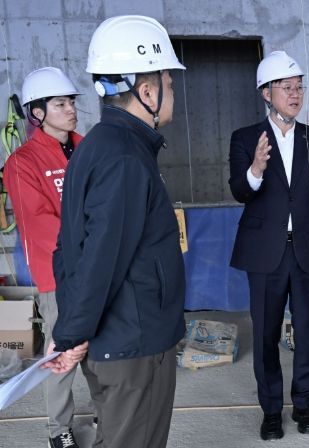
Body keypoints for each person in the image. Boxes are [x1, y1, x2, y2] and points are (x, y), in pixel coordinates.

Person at [47, 15, 187, 448]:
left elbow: (68, 248)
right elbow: (99, 259)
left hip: (120, 339)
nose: (172, 90)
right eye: (169, 81)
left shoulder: (96, 146)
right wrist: (71, 334)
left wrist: (71, 327)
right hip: (134, 345)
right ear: (147, 91)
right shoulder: (124, 158)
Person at [229, 50, 309, 441]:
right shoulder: (245, 139)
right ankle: (271, 411)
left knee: (306, 332)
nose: (295, 94)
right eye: (286, 87)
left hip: (307, 251)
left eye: (299, 87)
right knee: (265, 336)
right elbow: (239, 191)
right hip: (265, 253)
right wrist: (255, 170)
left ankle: (303, 405)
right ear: (266, 93)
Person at [3, 66, 88, 448]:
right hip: (59, 274)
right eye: (60, 104)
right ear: (37, 113)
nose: (71, 110)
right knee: (63, 353)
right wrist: (95, 244)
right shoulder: (22, 162)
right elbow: (38, 224)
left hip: (99, 267)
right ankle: (59, 430)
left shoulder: (87, 148)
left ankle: (110, 411)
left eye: (71, 102)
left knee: (102, 348)